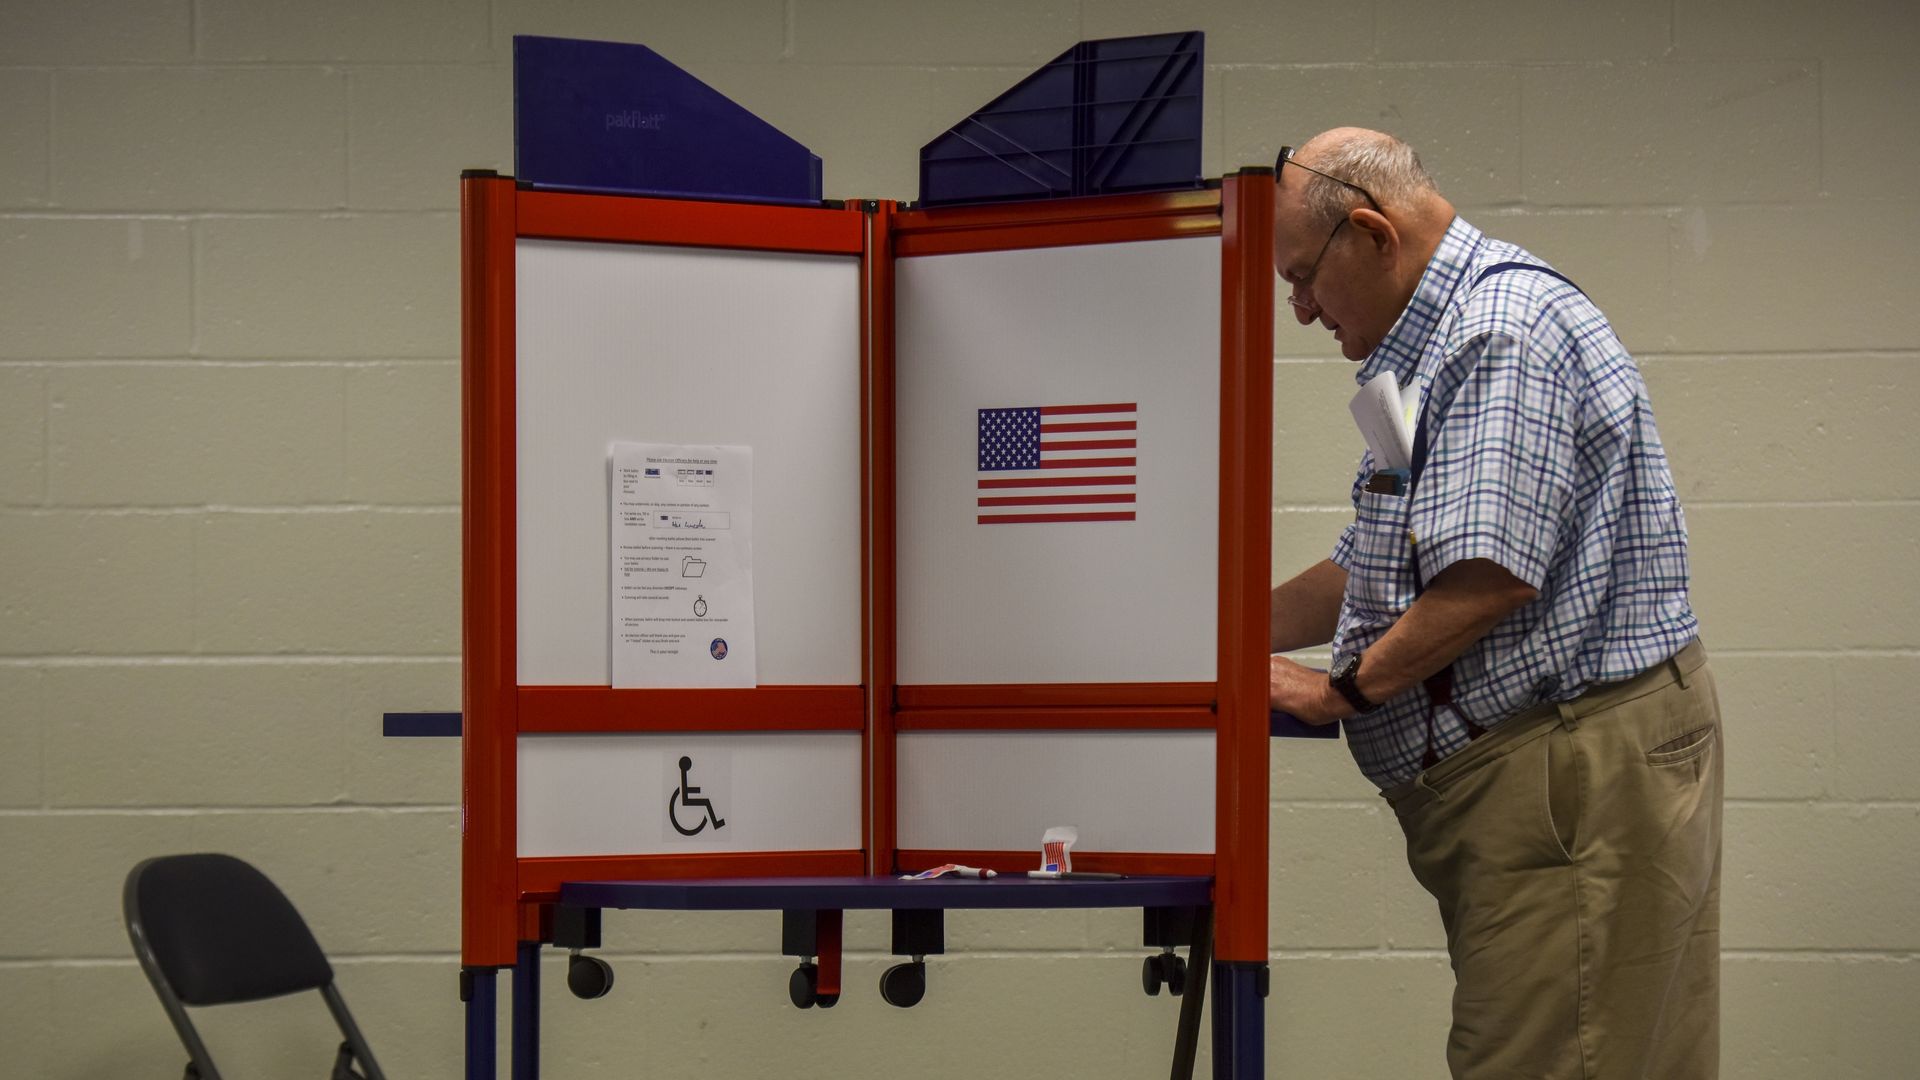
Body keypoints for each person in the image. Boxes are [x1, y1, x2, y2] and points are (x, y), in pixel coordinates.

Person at [1265, 128, 1722, 1079]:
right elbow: (1379, 565)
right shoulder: (1438, 346)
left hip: (1568, 774)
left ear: (1370, 234)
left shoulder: (1496, 333)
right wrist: (1210, 632)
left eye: (1303, 278)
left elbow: (1487, 580)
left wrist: (1336, 693)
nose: (1302, 311)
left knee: (1551, 1059)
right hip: (1556, 772)